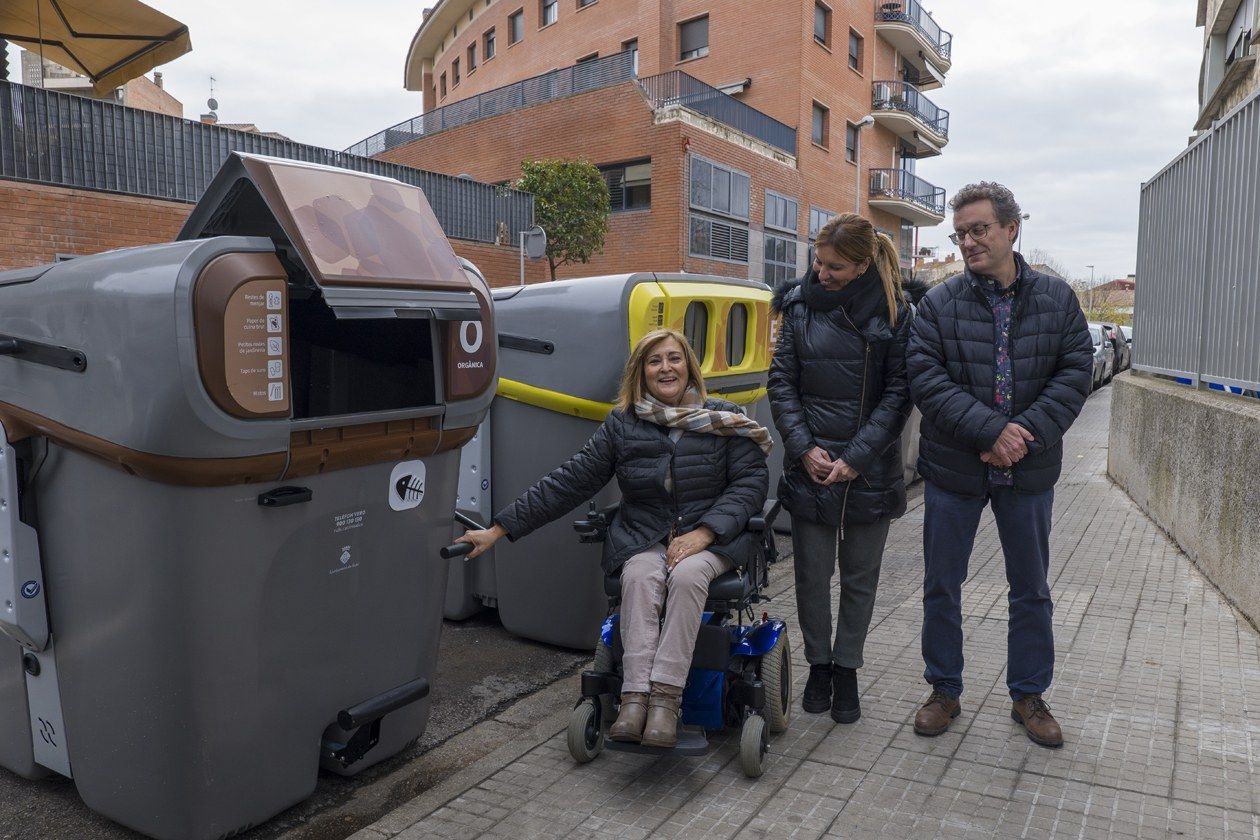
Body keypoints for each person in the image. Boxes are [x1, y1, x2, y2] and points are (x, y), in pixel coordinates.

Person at [456, 329, 770, 749]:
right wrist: (499, 528)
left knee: (689, 576)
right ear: (640, 373)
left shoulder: (725, 419)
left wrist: (705, 532)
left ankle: (665, 700)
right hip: (645, 535)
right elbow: (570, 480)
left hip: (710, 538)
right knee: (639, 576)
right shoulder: (623, 425)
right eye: (654, 361)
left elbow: (750, 484)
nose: (666, 368)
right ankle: (634, 698)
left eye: (674, 358)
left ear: (689, 366)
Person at [907, 182, 1093, 748]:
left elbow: (1075, 370)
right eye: (960, 233)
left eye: (978, 229)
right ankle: (944, 689)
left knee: (1031, 588)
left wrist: (1023, 436)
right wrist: (991, 432)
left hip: (1028, 470)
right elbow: (926, 379)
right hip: (954, 470)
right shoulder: (938, 305)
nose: (967, 242)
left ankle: (1028, 696)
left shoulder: (1058, 299)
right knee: (942, 584)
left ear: (1012, 229)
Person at [767, 213, 913, 724]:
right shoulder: (798, 306)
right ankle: (818, 666)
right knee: (810, 576)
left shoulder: (896, 311)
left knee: (860, 577)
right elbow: (781, 383)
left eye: (834, 267)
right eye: (818, 262)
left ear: (863, 263)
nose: (821, 273)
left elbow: (900, 393)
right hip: (812, 464)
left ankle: (847, 668)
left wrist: (857, 456)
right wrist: (805, 448)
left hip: (867, 466)